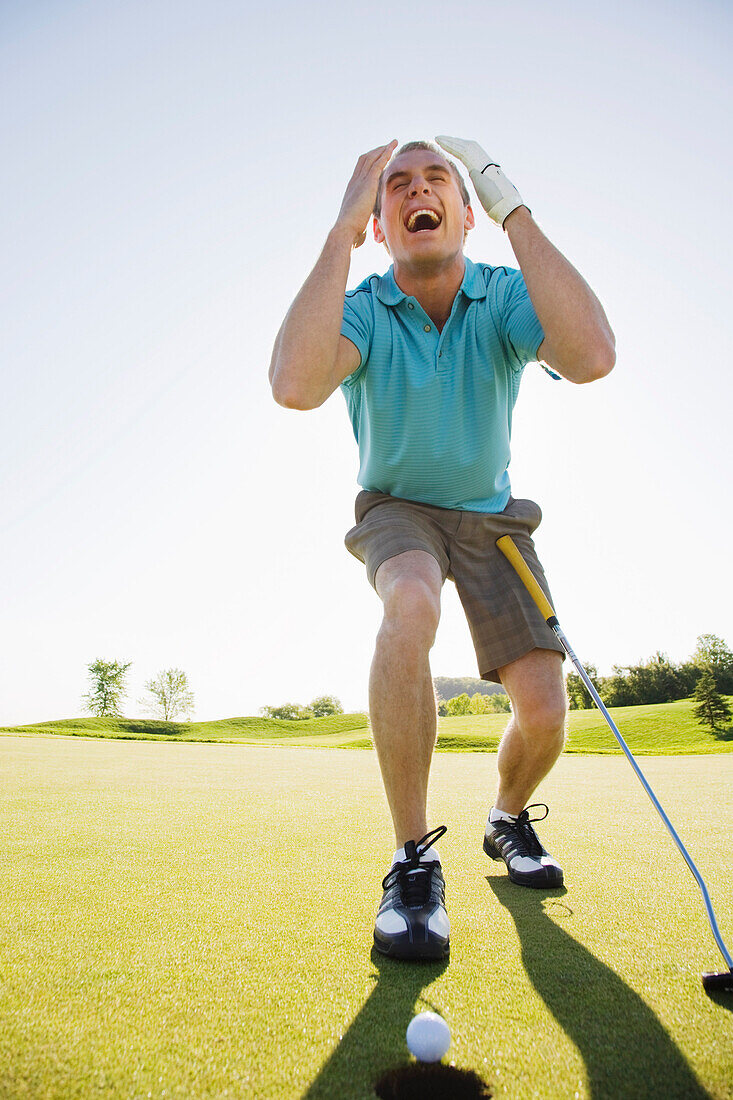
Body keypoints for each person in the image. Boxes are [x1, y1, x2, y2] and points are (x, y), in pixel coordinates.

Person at [269, 137, 615, 961]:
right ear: (384, 225)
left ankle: (503, 819)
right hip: (397, 508)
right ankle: (412, 860)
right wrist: (337, 233)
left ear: (464, 213)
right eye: (395, 188)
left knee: (542, 711)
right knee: (410, 604)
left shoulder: (500, 295)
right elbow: (294, 385)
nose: (415, 192)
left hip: (494, 518)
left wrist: (512, 207)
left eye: (438, 184)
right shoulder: (362, 305)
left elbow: (591, 356)